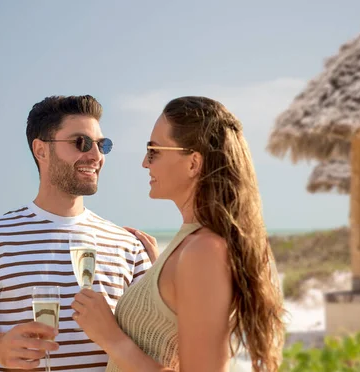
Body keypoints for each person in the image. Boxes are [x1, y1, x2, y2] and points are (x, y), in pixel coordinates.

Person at [0, 95, 152, 371]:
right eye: (80, 143)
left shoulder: (128, 246)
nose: (96, 156)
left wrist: (162, 273)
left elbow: (156, 348)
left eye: (102, 145)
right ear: (41, 150)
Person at [71, 96, 285, 372]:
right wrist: (159, 274)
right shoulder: (189, 247)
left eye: (153, 151)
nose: (144, 163)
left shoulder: (203, 251)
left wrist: (110, 338)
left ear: (193, 163)